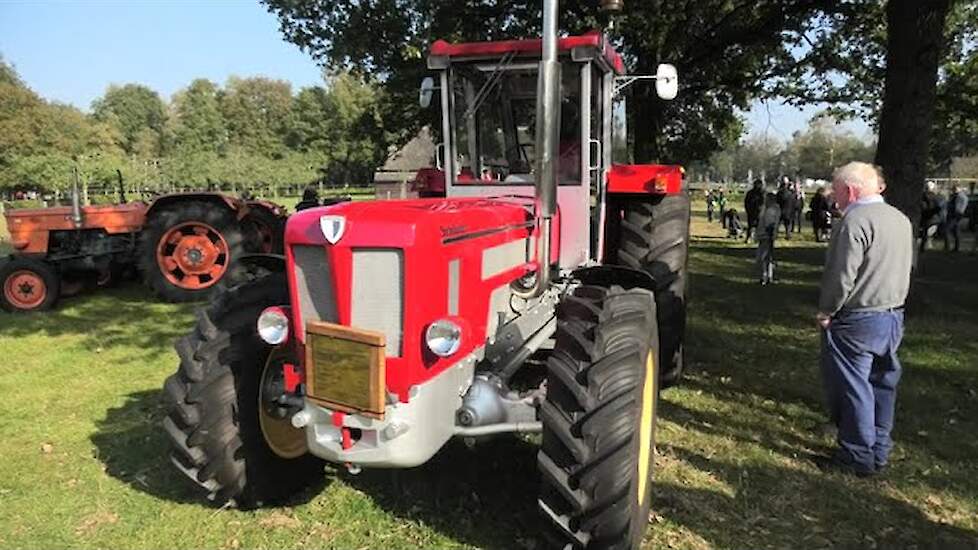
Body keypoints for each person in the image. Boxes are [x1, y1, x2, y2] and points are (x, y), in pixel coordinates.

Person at [816, 162, 913, 477]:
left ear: (850, 190)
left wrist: (827, 310)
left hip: (858, 317)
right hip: (893, 314)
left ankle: (856, 454)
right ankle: (879, 449)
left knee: (854, 386)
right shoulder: (900, 219)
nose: (834, 198)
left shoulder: (854, 221)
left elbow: (842, 275)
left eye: (836, 191)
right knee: (882, 384)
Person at [756, 191, 781, 285]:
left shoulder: (774, 209)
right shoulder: (764, 208)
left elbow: (774, 223)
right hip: (762, 234)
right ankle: (765, 276)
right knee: (763, 256)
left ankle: (767, 276)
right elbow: (760, 221)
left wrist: (772, 234)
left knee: (766, 256)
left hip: (768, 235)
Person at [944, 185, 968, 252]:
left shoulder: (960, 196)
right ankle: (956, 248)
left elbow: (959, 207)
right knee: (956, 231)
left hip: (955, 216)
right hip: (954, 215)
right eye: (953, 189)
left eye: (955, 189)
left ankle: (947, 247)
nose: (954, 190)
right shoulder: (956, 196)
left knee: (946, 230)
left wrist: (958, 213)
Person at [919, 181, 942, 251]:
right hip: (932, 217)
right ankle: (926, 245)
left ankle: (923, 246)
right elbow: (938, 208)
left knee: (925, 233)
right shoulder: (935, 197)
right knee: (927, 233)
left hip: (926, 217)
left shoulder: (922, 196)